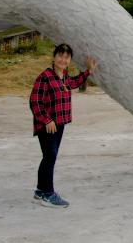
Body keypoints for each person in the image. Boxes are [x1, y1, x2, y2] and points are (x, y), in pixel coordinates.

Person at [29, 43, 96, 208]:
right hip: (48, 125)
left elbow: (74, 82)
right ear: (54, 57)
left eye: (67, 57)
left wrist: (88, 72)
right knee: (50, 157)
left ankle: (40, 190)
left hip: (60, 124)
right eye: (60, 55)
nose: (63, 59)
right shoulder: (45, 76)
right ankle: (48, 194)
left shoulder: (64, 76)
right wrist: (46, 120)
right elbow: (35, 101)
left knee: (49, 157)